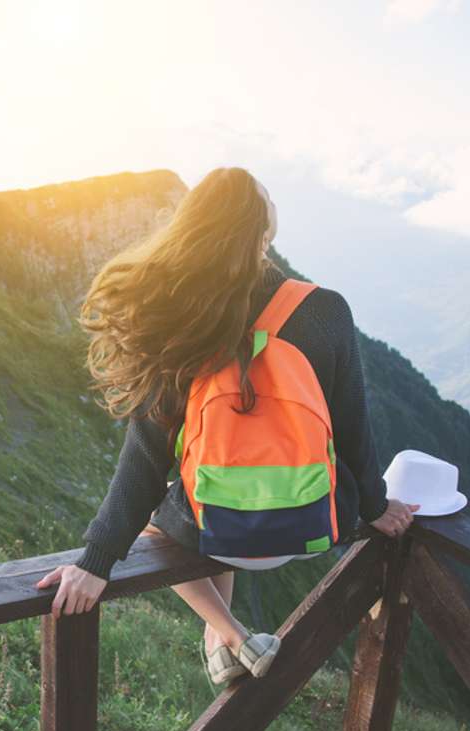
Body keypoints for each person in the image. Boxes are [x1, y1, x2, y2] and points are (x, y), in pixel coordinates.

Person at [34, 167, 419, 681]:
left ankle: (226, 631)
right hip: (309, 526)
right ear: (264, 236)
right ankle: (224, 643)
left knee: (188, 492)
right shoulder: (324, 311)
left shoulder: (184, 323)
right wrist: (375, 508)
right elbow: (353, 430)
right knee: (228, 480)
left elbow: (145, 459)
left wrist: (96, 561)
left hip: (221, 534)